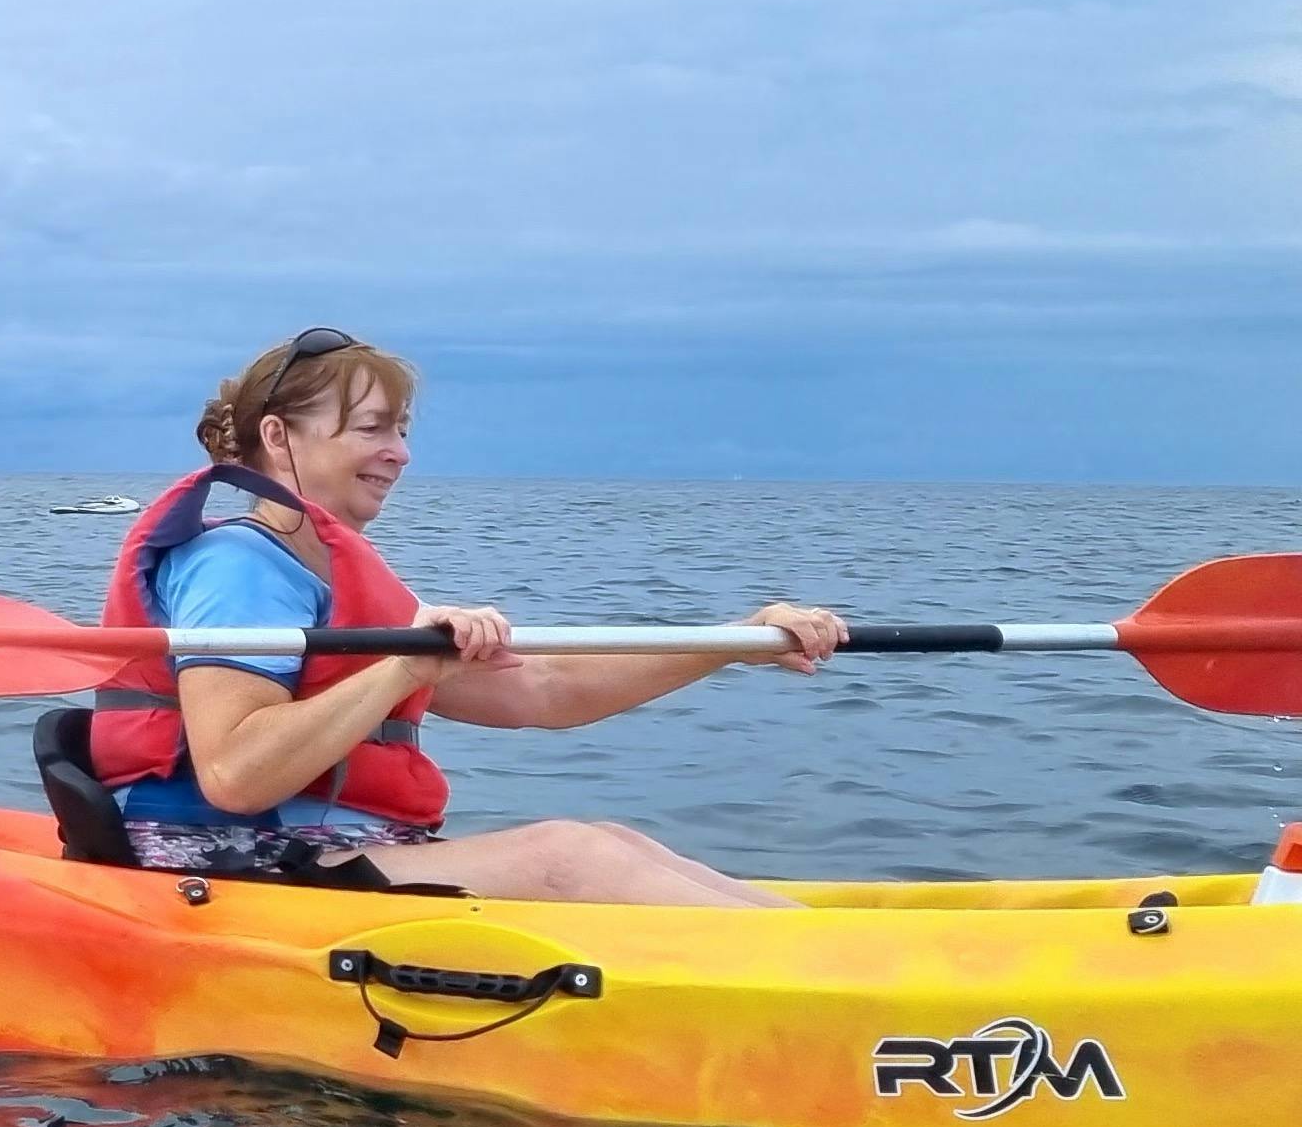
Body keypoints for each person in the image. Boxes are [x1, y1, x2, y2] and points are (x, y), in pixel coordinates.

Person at [84, 329, 845, 906]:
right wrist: (406, 666)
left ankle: (852, 958)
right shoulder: (239, 566)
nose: (399, 454)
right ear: (279, 436)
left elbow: (542, 691)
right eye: (373, 428)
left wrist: (734, 640)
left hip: (316, 852)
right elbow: (234, 775)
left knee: (614, 841)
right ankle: (857, 992)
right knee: (569, 857)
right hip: (224, 863)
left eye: (402, 430)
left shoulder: (325, 574)